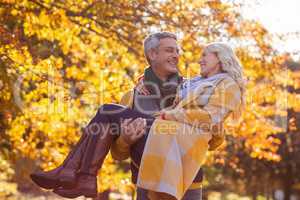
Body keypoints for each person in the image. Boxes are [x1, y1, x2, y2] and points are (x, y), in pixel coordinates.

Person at [30, 34, 244, 199]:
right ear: (152, 55)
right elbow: (117, 153)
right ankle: (79, 175)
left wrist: (176, 116)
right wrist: (125, 139)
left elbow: (213, 138)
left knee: (106, 110)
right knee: (106, 113)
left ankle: (75, 174)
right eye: (170, 50)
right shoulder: (131, 97)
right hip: (145, 178)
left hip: (185, 179)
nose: (177, 55)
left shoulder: (190, 87)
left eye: (177, 51)